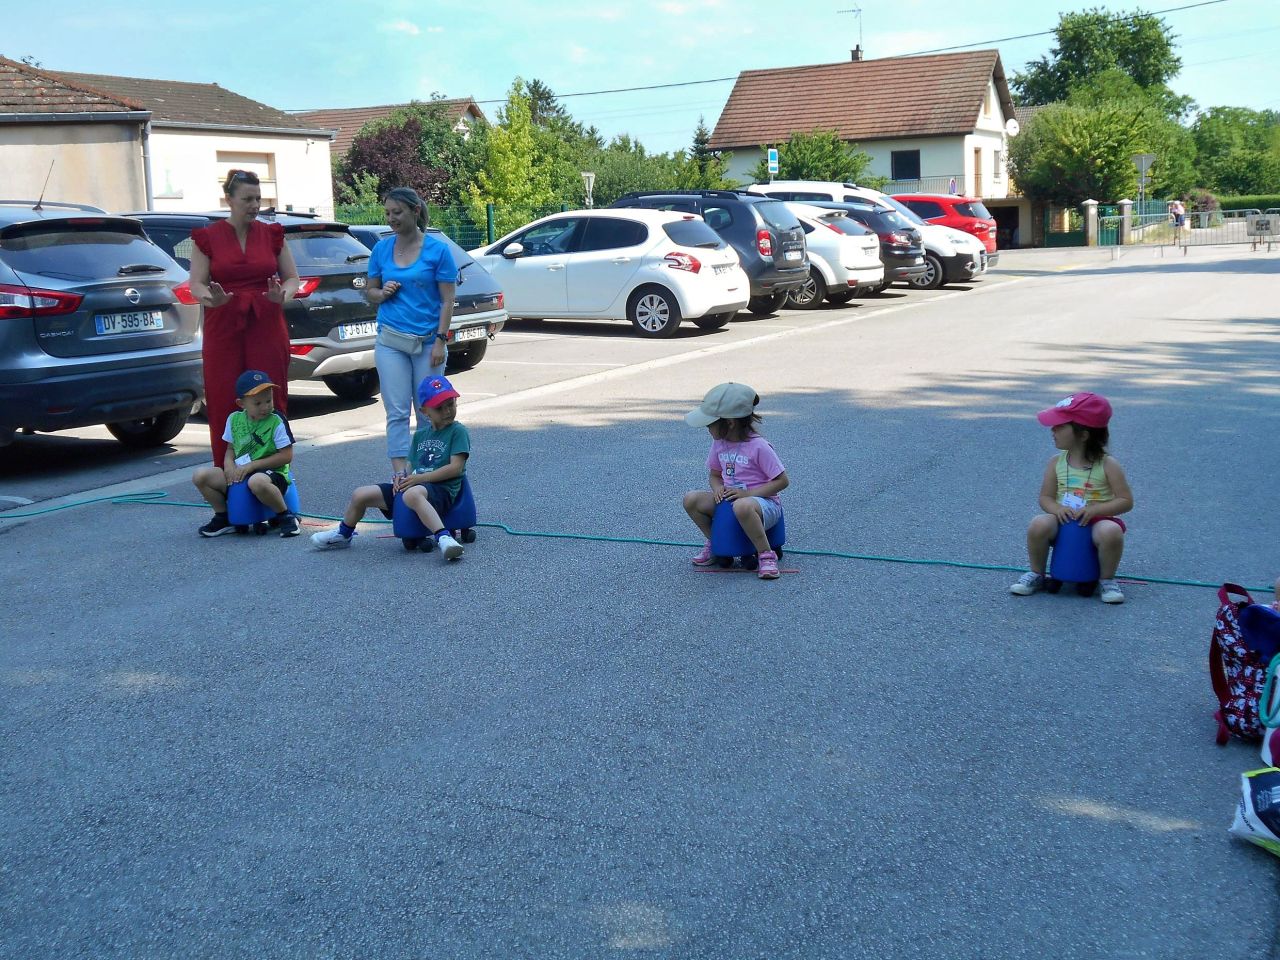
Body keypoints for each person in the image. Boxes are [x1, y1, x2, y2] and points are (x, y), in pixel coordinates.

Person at [188, 170, 300, 466]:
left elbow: (292, 278)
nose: (255, 205)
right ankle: (227, 473)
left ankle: (274, 473)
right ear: (229, 199)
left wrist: (283, 295)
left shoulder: (273, 234)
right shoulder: (207, 238)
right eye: (247, 199)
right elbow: (196, 284)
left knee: (270, 396)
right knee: (224, 396)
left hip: (266, 320)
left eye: (258, 199)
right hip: (223, 321)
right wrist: (210, 299)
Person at [311, 374, 468, 559]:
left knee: (412, 494)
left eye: (450, 404)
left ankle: (444, 537)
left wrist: (419, 479)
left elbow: (456, 468)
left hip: (441, 490)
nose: (447, 411)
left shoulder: (458, 431)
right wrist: (400, 477)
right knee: (360, 494)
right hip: (416, 485)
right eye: (439, 408)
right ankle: (344, 534)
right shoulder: (420, 435)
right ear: (425, 411)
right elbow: (410, 466)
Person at [365, 187, 459, 476]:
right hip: (391, 341)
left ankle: (426, 469)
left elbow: (447, 300)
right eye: (387, 213)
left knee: (428, 410)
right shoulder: (381, 249)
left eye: (397, 212)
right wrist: (382, 293)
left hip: (428, 342)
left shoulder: (438, 251)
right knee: (396, 411)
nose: (391, 218)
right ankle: (400, 475)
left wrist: (441, 341)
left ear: (415, 211)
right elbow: (370, 292)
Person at [1010, 392, 1134, 604]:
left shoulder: (1108, 465)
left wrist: (1095, 510)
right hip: (1064, 519)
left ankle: (1107, 580)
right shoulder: (1056, 462)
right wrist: (1057, 509)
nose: (1052, 430)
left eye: (1059, 426)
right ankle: (1037, 574)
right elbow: (1045, 497)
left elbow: (1125, 500)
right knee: (1038, 524)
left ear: (1083, 435)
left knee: (1111, 531)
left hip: (1096, 521)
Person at [682, 382, 790, 580]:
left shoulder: (759, 446)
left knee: (742, 506)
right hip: (731, 500)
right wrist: (717, 488)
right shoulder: (719, 444)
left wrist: (748, 494)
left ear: (730, 423)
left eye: (710, 424)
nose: (707, 428)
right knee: (691, 499)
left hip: (762, 504)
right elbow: (715, 474)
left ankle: (766, 555)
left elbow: (782, 481)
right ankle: (716, 542)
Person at [192, 370, 299, 538]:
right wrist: (228, 466)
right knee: (201, 476)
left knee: (256, 482)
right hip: (241, 471)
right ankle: (223, 517)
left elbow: (286, 456)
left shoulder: (276, 420)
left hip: (271, 473)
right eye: (257, 403)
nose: (265, 407)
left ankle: (285, 516)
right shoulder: (234, 419)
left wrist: (252, 465)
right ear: (241, 403)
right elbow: (230, 449)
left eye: (268, 400)